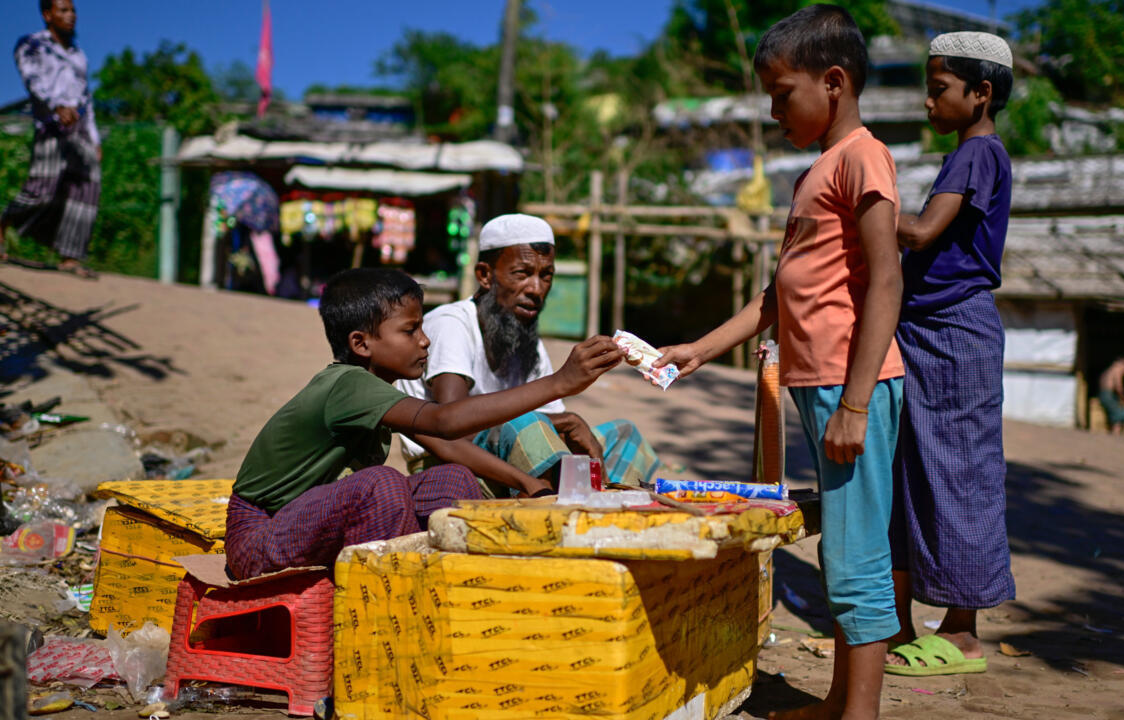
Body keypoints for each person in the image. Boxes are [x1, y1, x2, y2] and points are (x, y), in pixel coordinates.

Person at [656, 7, 904, 718]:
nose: (773, 112)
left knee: (856, 553)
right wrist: (699, 350)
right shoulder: (816, 171)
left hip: (850, 384)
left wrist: (855, 403)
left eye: (781, 94)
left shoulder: (862, 157)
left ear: (834, 82)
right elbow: (777, 294)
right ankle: (837, 702)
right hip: (822, 385)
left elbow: (886, 279)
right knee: (842, 547)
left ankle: (857, 714)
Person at [226, 268, 622, 578]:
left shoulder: (377, 390)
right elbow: (445, 421)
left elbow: (443, 442)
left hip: (306, 522)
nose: (425, 340)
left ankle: (442, 582)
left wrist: (528, 484)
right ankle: (389, 595)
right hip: (260, 536)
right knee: (381, 485)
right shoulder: (347, 386)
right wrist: (558, 383)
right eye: (410, 330)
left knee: (452, 479)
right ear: (361, 343)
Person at [886, 31, 1016, 677]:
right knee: (911, 474)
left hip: (954, 334)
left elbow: (920, 232)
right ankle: (901, 624)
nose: (928, 102)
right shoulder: (965, 156)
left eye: (939, 89)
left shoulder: (977, 154)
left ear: (980, 92)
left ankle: (962, 634)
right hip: (925, 331)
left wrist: (854, 205)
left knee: (960, 476)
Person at [395, 213, 660, 498]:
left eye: (546, 276)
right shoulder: (452, 324)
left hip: (514, 457)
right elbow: (450, 426)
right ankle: (557, 509)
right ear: (485, 275)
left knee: (623, 435)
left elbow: (554, 427)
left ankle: (610, 504)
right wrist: (563, 418)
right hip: (451, 467)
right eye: (522, 274)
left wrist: (571, 429)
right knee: (529, 423)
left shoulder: (527, 341)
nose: (536, 289)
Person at [0, 0, 101, 279]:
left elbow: (86, 98)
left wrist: (94, 138)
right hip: (50, 124)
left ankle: (70, 256)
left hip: (79, 128)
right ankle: (3, 222)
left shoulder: (78, 55)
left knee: (87, 188)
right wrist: (55, 105)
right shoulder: (32, 44)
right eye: (63, 10)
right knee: (41, 189)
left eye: (73, 10)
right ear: (48, 15)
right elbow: (32, 80)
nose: (71, 16)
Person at [1098, 356, 1124, 434]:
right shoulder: (1117, 369)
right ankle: (1116, 434)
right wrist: (1123, 397)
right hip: (1107, 395)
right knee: (1120, 413)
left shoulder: (1109, 369)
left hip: (1103, 395)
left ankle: (1114, 432)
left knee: (1114, 413)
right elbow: (1118, 386)